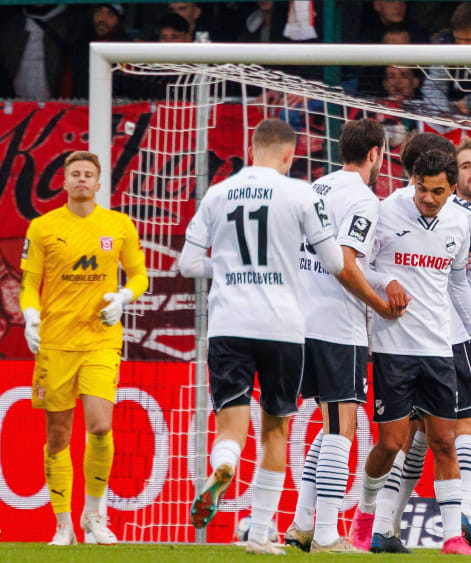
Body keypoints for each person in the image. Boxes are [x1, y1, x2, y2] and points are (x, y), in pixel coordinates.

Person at [180, 118, 345, 555]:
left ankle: (224, 464)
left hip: (230, 324)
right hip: (283, 327)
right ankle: (258, 535)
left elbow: (187, 264)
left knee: (231, 420)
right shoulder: (301, 193)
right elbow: (333, 261)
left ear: (252, 148)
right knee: (276, 430)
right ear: (290, 155)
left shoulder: (217, 194)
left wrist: (230, 270)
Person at [367, 139, 471, 555]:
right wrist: (387, 283)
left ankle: (453, 535)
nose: (429, 199)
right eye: (422, 189)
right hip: (393, 347)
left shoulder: (459, 221)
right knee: (392, 443)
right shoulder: (385, 212)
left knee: (444, 441)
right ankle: (371, 519)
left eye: (438, 191)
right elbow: (361, 265)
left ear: (451, 189)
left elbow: (457, 284)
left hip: (439, 347)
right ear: (412, 181)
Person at [282, 119, 402, 553]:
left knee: (330, 424)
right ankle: (329, 535)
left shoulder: (314, 188)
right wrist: (376, 302)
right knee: (341, 429)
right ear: (375, 154)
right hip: (337, 325)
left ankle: (301, 525)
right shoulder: (364, 201)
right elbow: (346, 262)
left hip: (299, 320)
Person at [19, 150, 149, 546]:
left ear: (98, 183)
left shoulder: (119, 225)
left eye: (87, 174)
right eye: (74, 173)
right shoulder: (42, 228)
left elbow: (140, 274)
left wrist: (123, 297)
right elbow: (28, 285)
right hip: (56, 343)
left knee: (101, 425)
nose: (80, 179)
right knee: (58, 435)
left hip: (100, 341)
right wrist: (30, 316)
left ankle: (93, 514)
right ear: (64, 181)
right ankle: (63, 524)